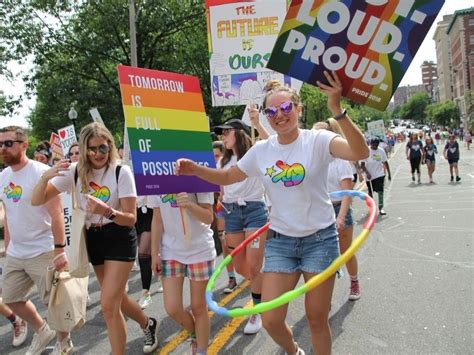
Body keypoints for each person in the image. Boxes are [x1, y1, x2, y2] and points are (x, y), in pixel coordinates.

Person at [176, 71, 368, 355]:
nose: (279, 115)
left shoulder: (317, 140)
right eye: (272, 111)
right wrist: (195, 170)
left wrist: (337, 110)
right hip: (281, 241)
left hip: (320, 240)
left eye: (286, 108)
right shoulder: (262, 150)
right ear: (265, 115)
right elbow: (229, 178)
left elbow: (359, 151)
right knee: (271, 319)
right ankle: (294, 351)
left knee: (316, 319)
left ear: (298, 109)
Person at [30, 123, 159, 354]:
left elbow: (130, 219)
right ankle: (147, 323)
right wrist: (45, 177)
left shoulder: (122, 172)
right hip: (93, 240)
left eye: (103, 147)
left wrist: (106, 211)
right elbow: (37, 200)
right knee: (117, 298)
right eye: (92, 149)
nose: (98, 153)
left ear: (110, 145)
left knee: (108, 306)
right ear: (84, 149)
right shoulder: (75, 172)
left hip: (119, 236)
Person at [0, 126, 71, 354]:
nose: (3, 148)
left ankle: (63, 342)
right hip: (16, 253)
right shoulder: (3, 177)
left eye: (8, 143)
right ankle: (42, 331)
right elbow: (9, 214)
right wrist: (9, 247)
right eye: (0, 144)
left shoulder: (41, 172)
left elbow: (57, 212)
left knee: (55, 304)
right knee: (10, 298)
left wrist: (60, 249)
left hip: (43, 250)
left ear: (24, 144)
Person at [213, 118, 269, 335]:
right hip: (232, 214)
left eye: (226, 132)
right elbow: (223, 193)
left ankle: (256, 310)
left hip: (255, 210)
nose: (222, 137)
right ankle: (262, 285)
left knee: (254, 265)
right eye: (221, 133)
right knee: (239, 265)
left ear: (239, 132)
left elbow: (272, 142)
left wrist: (256, 121)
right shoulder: (222, 162)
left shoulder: (257, 154)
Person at [149, 191, 216, 355]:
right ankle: (195, 333)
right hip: (170, 251)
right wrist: (154, 253)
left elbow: (209, 217)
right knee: (172, 308)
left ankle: (201, 350)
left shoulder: (197, 170)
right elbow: (157, 219)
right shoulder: (153, 174)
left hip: (200, 250)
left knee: (199, 307)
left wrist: (189, 204)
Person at [314, 119, 360, 300]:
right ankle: (325, 298)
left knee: (345, 251)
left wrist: (340, 218)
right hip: (321, 208)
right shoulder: (312, 160)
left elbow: (347, 193)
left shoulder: (340, 160)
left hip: (340, 207)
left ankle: (354, 282)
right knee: (322, 255)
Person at [212, 141, 238, 293]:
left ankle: (251, 273)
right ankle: (231, 278)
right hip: (220, 207)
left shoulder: (233, 166)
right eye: (213, 156)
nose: (215, 160)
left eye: (217, 156)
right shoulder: (212, 168)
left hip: (238, 207)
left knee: (240, 245)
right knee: (224, 240)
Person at [136, 196, 163, 310]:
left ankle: (145, 293)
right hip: (134, 210)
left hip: (151, 210)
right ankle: (162, 276)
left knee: (143, 251)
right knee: (149, 249)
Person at [360, 138, 391, 216]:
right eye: (373, 144)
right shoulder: (366, 151)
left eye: (376, 144)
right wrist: (367, 173)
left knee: (380, 191)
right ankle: (372, 207)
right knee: (371, 192)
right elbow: (362, 165)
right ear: (371, 144)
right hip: (369, 176)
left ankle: (381, 208)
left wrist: (389, 173)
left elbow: (385, 162)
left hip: (380, 174)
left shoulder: (381, 151)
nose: (375, 146)